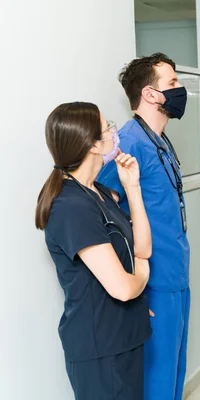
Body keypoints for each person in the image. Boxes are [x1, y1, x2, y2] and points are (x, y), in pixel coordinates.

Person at [35, 102, 152, 399]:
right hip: (101, 348)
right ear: (93, 145)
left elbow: (143, 247)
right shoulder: (71, 206)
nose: (115, 131)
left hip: (124, 336)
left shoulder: (97, 191)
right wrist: (141, 277)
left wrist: (133, 188)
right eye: (108, 127)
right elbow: (123, 289)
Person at [97, 53, 190, 400]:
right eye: (173, 83)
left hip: (177, 275)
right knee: (158, 379)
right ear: (151, 94)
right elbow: (104, 215)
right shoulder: (128, 142)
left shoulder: (160, 140)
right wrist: (131, 288)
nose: (180, 90)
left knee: (175, 371)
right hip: (154, 282)